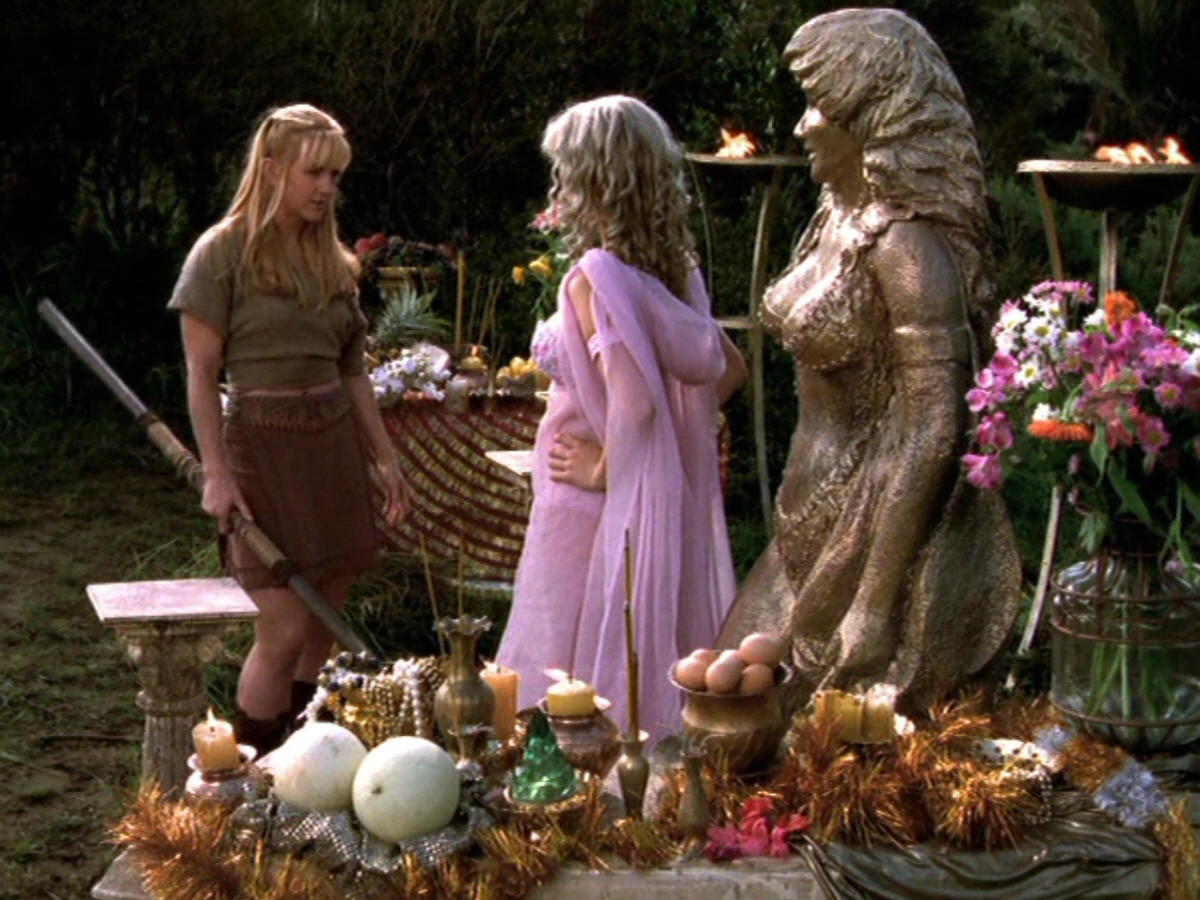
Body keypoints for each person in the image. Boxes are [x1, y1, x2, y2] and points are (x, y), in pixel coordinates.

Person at [717, 9, 1021, 712]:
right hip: (802, 528)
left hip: (864, 546)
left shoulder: (906, 248)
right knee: (723, 725)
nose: (801, 126)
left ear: (869, 117)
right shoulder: (830, 220)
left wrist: (875, 604)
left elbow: (935, 428)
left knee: (776, 745)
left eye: (816, 105)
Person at [497, 95, 746, 743]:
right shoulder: (673, 274)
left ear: (592, 178)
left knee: (567, 667)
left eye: (566, 169)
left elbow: (634, 404)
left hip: (586, 504)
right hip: (637, 500)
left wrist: (603, 466)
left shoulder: (596, 278)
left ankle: (581, 785)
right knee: (617, 655)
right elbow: (728, 369)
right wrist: (671, 439)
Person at [168, 104, 409, 752]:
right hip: (261, 449)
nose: (327, 187)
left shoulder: (332, 262)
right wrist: (216, 475)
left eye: (335, 175)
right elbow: (201, 374)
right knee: (283, 628)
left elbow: (352, 370)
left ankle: (303, 765)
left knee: (324, 621)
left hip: (332, 448)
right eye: (314, 173)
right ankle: (252, 769)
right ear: (273, 169)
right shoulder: (221, 254)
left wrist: (385, 457)